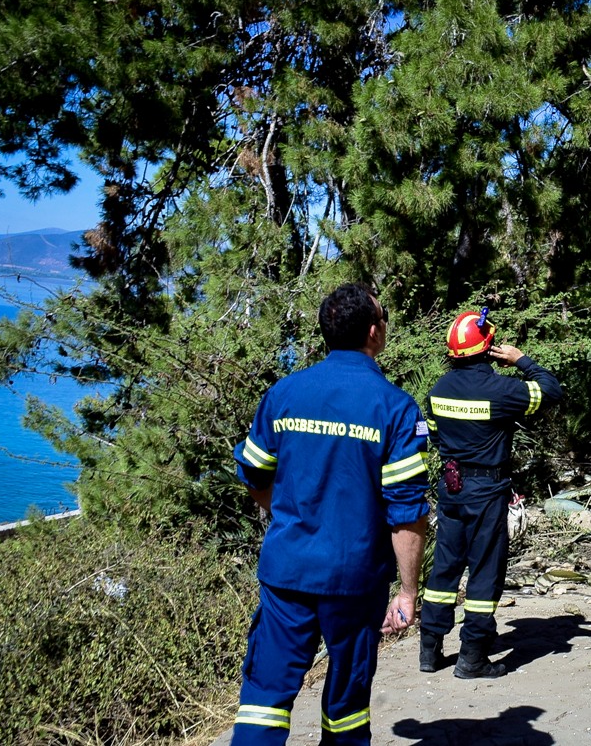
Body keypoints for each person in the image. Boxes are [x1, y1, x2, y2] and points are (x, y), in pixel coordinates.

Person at [230, 283, 430, 745]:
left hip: (287, 572)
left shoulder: (284, 393)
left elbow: (254, 474)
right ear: (374, 333)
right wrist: (407, 591)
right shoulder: (395, 407)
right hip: (355, 580)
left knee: (263, 697)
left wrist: (289, 514)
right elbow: (406, 511)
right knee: (346, 703)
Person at [419, 308, 564, 678]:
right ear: (489, 348)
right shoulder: (503, 390)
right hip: (486, 489)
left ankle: (430, 652)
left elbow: (435, 436)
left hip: (450, 488)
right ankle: (472, 658)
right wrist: (521, 360)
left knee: (445, 569)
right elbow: (552, 390)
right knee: (484, 571)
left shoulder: (438, 391)